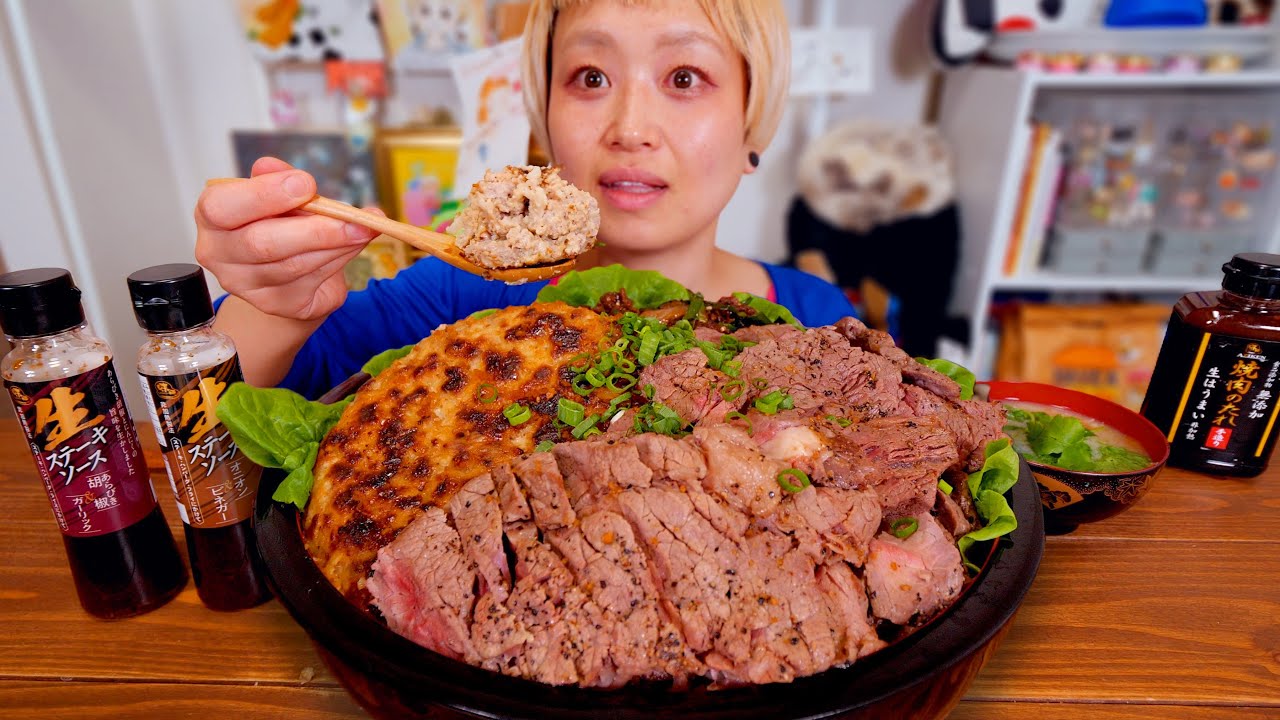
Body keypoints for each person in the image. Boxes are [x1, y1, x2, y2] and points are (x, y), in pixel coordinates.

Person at [195, 0, 858, 400]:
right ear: (544, 126)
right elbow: (234, 411)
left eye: (685, 77)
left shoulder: (817, 320)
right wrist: (275, 311)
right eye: (590, 77)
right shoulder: (458, 295)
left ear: (752, 127)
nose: (630, 127)